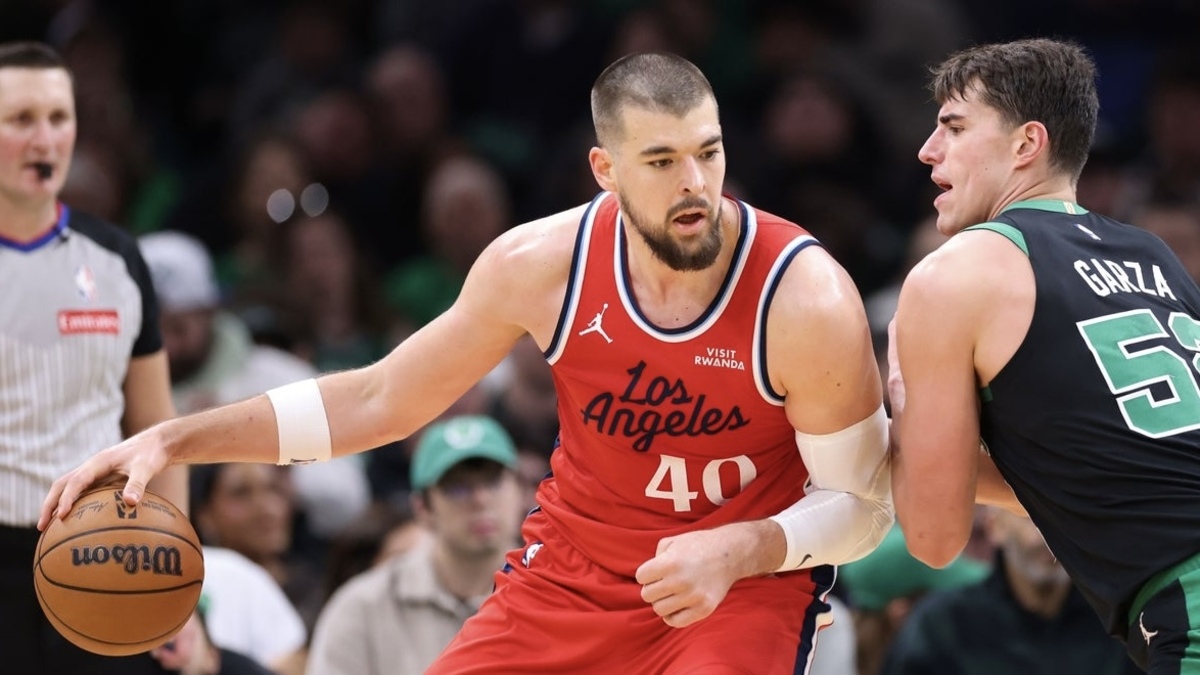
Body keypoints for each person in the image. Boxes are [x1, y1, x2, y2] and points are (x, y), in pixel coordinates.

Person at [42, 51, 893, 673]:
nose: (694, 185)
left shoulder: (802, 295)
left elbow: (863, 506)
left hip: (736, 587)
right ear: (604, 170)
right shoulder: (540, 265)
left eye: (707, 153)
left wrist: (740, 550)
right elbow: (380, 397)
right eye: (662, 161)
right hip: (575, 577)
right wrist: (174, 441)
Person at [887, 37, 1200, 673]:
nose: (927, 149)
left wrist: (900, 404)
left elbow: (935, 539)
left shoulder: (956, 273)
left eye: (953, 126)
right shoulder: (1150, 254)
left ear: (1026, 144)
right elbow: (1095, 474)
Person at [0, 40, 187, 674]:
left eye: (58, 117)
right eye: (21, 119)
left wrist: (190, 600)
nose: (44, 139)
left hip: (110, 548)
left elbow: (160, 433)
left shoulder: (117, 260)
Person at [307, 414, 525, 675]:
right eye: (456, 488)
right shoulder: (362, 607)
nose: (480, 500)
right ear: (422, 509)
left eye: (493, 481)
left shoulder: (557, 592)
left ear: (520, 491)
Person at [880, 507, 1140, 675]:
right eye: (1031, 517)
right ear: (995, 527)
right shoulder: (942, 625)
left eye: (1064, 517)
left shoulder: (1119, 623)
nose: (1048, 534)